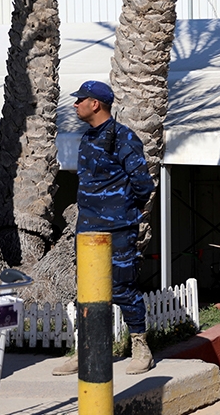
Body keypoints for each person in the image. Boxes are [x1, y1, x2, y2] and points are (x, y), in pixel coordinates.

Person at [53, 80, 156, 376]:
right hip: (87, 228)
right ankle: (87, 350)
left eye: (80, 100)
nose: (75, 105)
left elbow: (143, 184)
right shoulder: (87, 138)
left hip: (118, 228)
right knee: (86, 290)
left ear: (95, 104)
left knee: (122, 287)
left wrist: (123, 212)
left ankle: (140, 346)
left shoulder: (122, 138)